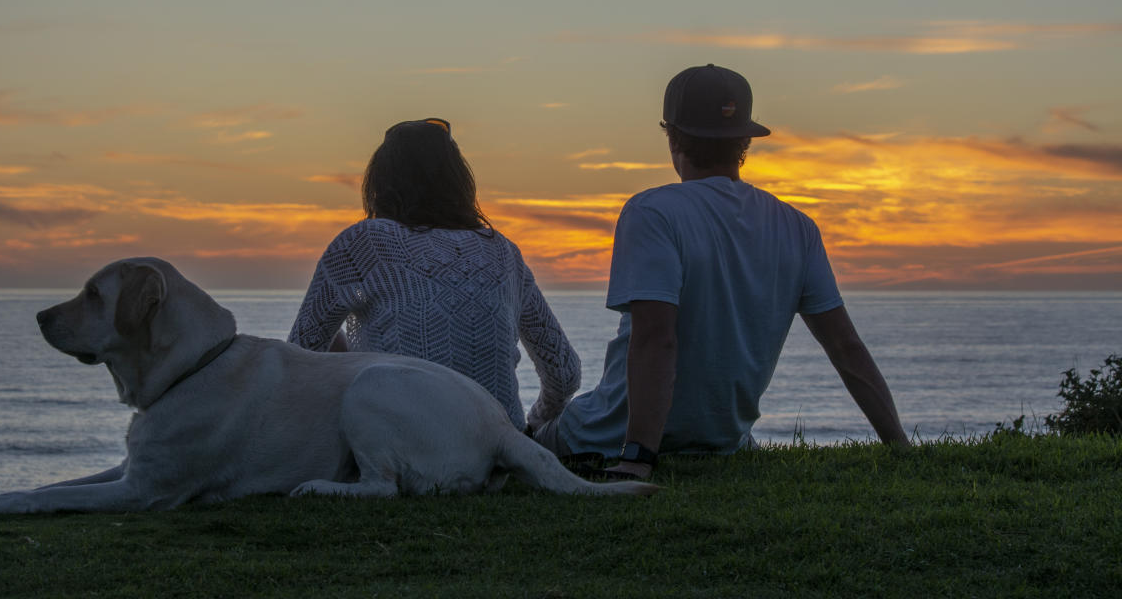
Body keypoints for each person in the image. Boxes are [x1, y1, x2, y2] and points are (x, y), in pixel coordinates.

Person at [532, 65, 909, 477]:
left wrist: (637, 459)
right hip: (725, 445)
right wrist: (900, 447)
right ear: (745, 140)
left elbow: (657, 339)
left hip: (602, 439)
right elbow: (845, 347)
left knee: (526, 438)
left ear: (672, 136)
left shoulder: (653, 213)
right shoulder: (796, 227)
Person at [289, 117, 581, 433]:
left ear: (379, 182)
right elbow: (564, 373)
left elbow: (298, 357)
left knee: (334, 343)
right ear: (459, 181)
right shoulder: (502, 251)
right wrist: (532, 425)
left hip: (403, 443)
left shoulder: (365, 242)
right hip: (501, 450)